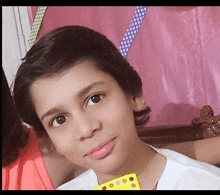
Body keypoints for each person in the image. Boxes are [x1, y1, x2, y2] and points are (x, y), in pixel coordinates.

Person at [8, 26, 220, 190]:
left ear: (133, 95)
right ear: (48, 137)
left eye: (95, 99)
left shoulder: (206, 183)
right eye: (60, 120)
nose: (86, 129)